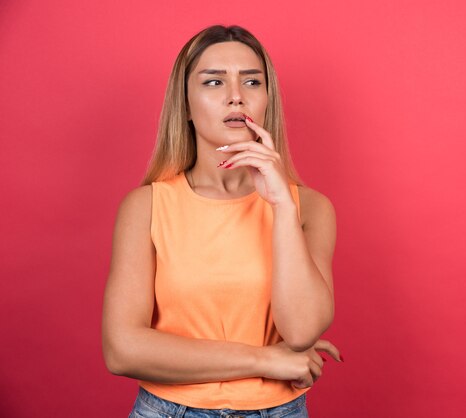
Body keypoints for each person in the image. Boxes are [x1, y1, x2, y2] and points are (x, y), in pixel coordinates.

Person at [101, 24, 343, 417]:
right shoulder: (145, 206)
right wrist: (266, 360)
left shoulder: (309, 208)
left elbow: (301, 331)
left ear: (267, 99)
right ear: (186, 105)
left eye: (251, 82)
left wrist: (281, 203)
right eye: (213, 82)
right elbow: (122, 350)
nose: (235, 97)